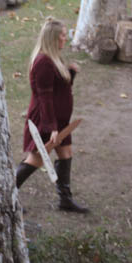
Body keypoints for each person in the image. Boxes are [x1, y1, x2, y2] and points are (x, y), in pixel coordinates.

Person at [14, 17, 88, 213]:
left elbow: (59, 90)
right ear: (53, 38)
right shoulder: (43, 62)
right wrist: (52, 127)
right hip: (45, 121)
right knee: (36, 160)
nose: (66, 38)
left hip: (61, 121)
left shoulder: (54, 58)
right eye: (63, 35)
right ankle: (5, 198)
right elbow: (45, 98)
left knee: (66, 154)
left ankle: (65, 200)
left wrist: (70, 74)